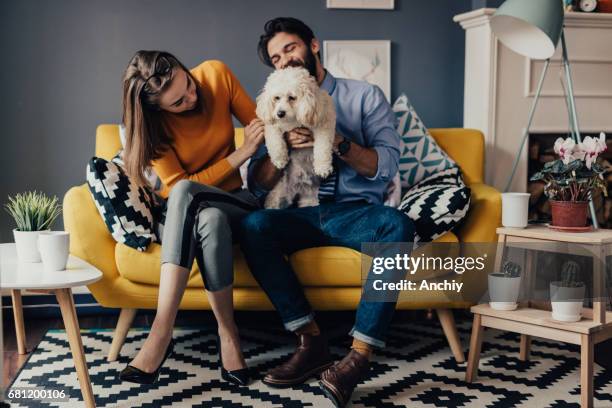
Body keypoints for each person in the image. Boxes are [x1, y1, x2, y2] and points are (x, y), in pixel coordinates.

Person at [240, 18, 416, 407]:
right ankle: (310, 339)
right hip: (297, 212)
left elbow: (385, 165)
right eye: (275, 57)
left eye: (289, 49)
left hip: (353, 211)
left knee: (399, 225)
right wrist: (279, 146)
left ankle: (357, 359)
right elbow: (257, 184)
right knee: (253, 225)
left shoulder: (364, 96)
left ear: (313, 45)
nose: (284, 60)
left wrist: (337, 142)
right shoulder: (278, 102)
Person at [118, 50, 265, 386]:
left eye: (187, 84)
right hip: (188, 216)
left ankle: (160, 331)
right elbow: (175, 188)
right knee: (207, 217)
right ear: (157, 109)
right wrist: (240, 154)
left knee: (190, 193)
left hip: (236, 201)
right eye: (179, 103)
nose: (191, 97)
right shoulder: (151, 128)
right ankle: (229, 336)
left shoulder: (215, 74)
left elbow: (262, 126)